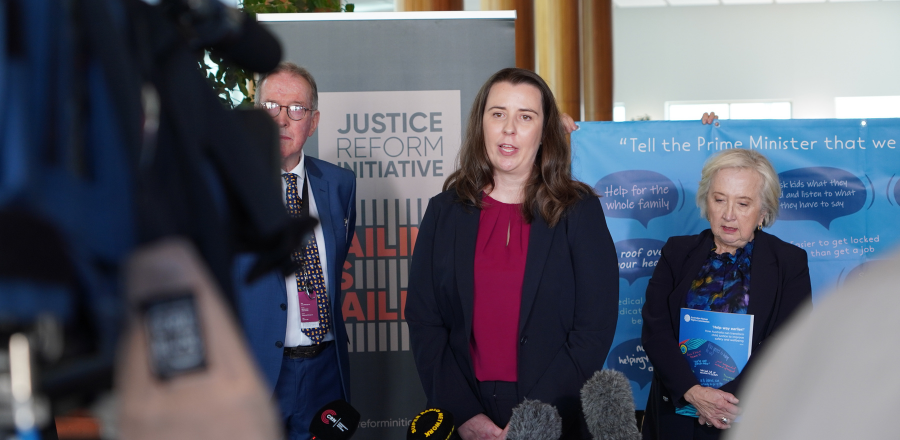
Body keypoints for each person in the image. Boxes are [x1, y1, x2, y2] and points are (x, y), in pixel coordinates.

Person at [405, 67, 619, 440]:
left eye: (525, 117)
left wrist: (532, 421)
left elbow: (593, 330)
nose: (509, 128)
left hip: (554, 416)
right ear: (482, 124)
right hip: (462, 413)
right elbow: (426, 322)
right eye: (498, 113)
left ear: (543, 132)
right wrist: (465, 414)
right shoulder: (444, 212)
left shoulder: (578, 211)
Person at [640, 149, 812, 440]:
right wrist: (692, 393)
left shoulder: (789, 262)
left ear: (764, 212)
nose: (728, 214)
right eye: (719, 199)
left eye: (743, 203)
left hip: (750, 416)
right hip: (678, 413)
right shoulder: (676, 252)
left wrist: (726, 401)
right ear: (706, 202)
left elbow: (788, 341)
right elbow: (656, 329)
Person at [232, 62, 357, 440]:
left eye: (296, 110)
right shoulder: (228, 186)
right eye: (271, 107)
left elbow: (337, 259)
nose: (283, 120)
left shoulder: (340, 183)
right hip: (257, 375)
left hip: (325, 373)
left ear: (313, 121)